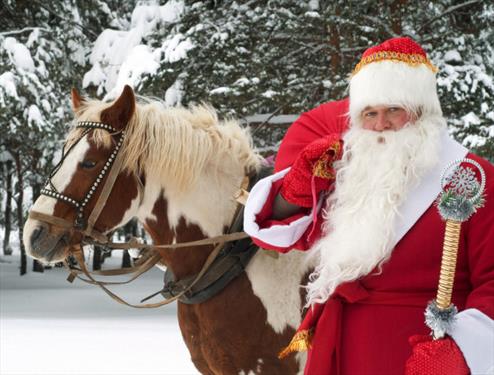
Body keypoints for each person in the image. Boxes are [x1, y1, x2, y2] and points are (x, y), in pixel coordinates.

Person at [243, 37, 494, 374]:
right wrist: (296, 191)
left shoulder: (470, 177)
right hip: (340, 348)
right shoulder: (349, 173)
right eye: (370, 113)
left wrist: (461, 350)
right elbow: (275, 235)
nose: (380, 124)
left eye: (394, 109)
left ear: (421, 110)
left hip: (421, 354)